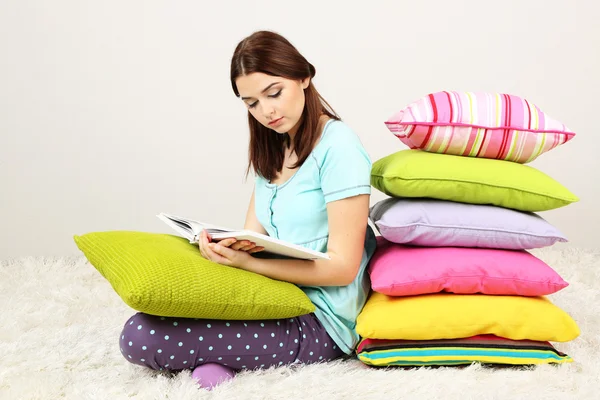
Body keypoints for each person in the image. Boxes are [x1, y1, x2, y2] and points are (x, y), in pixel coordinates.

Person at [119, 30, 377, 390]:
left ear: (303, 77)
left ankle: (222, 361)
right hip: (278, 297)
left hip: (324, 320)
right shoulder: (273, 149)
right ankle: (224, 362)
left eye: (274, 93)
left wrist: (248, 263)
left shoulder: (340, 148)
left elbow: (343, 269)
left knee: (142, 337)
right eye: (251, 103)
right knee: (157, 314)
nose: (266, 111)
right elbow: (253, 236)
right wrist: (225, 247)